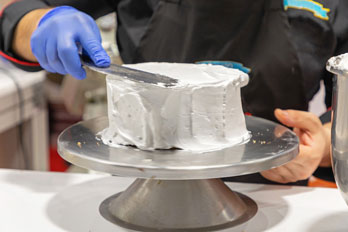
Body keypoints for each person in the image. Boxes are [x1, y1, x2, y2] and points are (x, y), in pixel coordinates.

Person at [0, 0, 341, 185]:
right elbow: (13, 9)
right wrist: (40, 23)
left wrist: (324, 145)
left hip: (275, 190)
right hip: (140, 181)